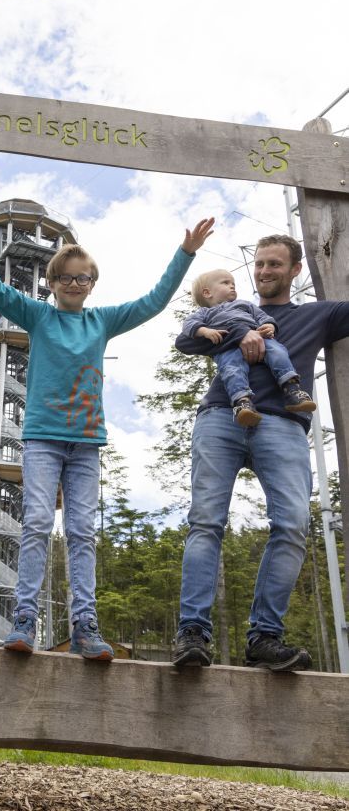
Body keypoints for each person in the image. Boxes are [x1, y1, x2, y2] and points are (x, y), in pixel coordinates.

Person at [0, 191, 214, 661]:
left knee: (81, 532)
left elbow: (154, 301)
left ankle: (84, 625)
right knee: (36, 522)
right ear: (52, 283)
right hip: (42, 438)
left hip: (86, 442)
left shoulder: (102, 320)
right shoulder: (38, 315)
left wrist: (186, 254)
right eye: (67, 277)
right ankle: (22, 621)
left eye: (84, 277)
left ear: (92, 284)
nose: (75, 283)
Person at [173, 234, 349, 672]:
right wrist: (242, 332)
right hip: (221, 418)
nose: (265, 272)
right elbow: (188, 339)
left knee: (291, 525)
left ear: (295, 271)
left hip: (285, 426)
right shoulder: (228, 311)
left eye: (275, 264)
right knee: (206, 522)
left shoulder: (317, 315)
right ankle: (192, 632)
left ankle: (264, 637)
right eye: (260, 265)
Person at [180, 268, 315, 427]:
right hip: (227, 347)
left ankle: (292, 390)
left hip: (258, 337)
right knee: (232, 368)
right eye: (225, 283)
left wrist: (269, 326)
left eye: (233, 283)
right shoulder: (204, 313)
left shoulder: (244, 305)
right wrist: (205, 331)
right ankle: (242, 402)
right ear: (207, 293)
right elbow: (188, 325)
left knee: (278, 351)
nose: (232, 286)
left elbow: (263, 317)